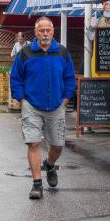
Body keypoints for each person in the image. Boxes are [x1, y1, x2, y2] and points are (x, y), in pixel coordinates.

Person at [10, 16, 75, 200]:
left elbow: (69, 77)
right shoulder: (26, 52)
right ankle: (37, 184)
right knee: (33, 143)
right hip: (31, 105)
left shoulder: (61, 52)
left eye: (48, 30)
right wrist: (21, 99)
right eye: (41, 30)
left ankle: (50, 164)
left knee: (57, 145)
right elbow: (16, 78)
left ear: (53, 31)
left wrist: (65, 99)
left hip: (56, 105)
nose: (45, 33)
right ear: (36, 32)